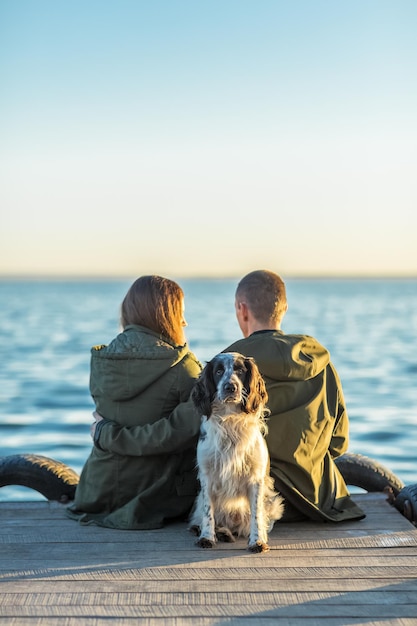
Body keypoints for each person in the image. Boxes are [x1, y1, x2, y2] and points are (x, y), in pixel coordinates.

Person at [89, 270, 365, 523]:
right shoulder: (321, 362)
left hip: (250, 503)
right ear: (283, 309)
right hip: (323, 500)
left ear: (241, 309)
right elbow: (338, 444)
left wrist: (105, 433)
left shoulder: (224, 370)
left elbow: (187, 433)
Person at [66, 275, 203, 530]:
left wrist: (106, 435)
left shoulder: (102, 361)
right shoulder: (183, 368)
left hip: (96, 493)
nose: (185, 321)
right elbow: (176, 435)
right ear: (166, 315)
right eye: (181, 313)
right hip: (153, 498)